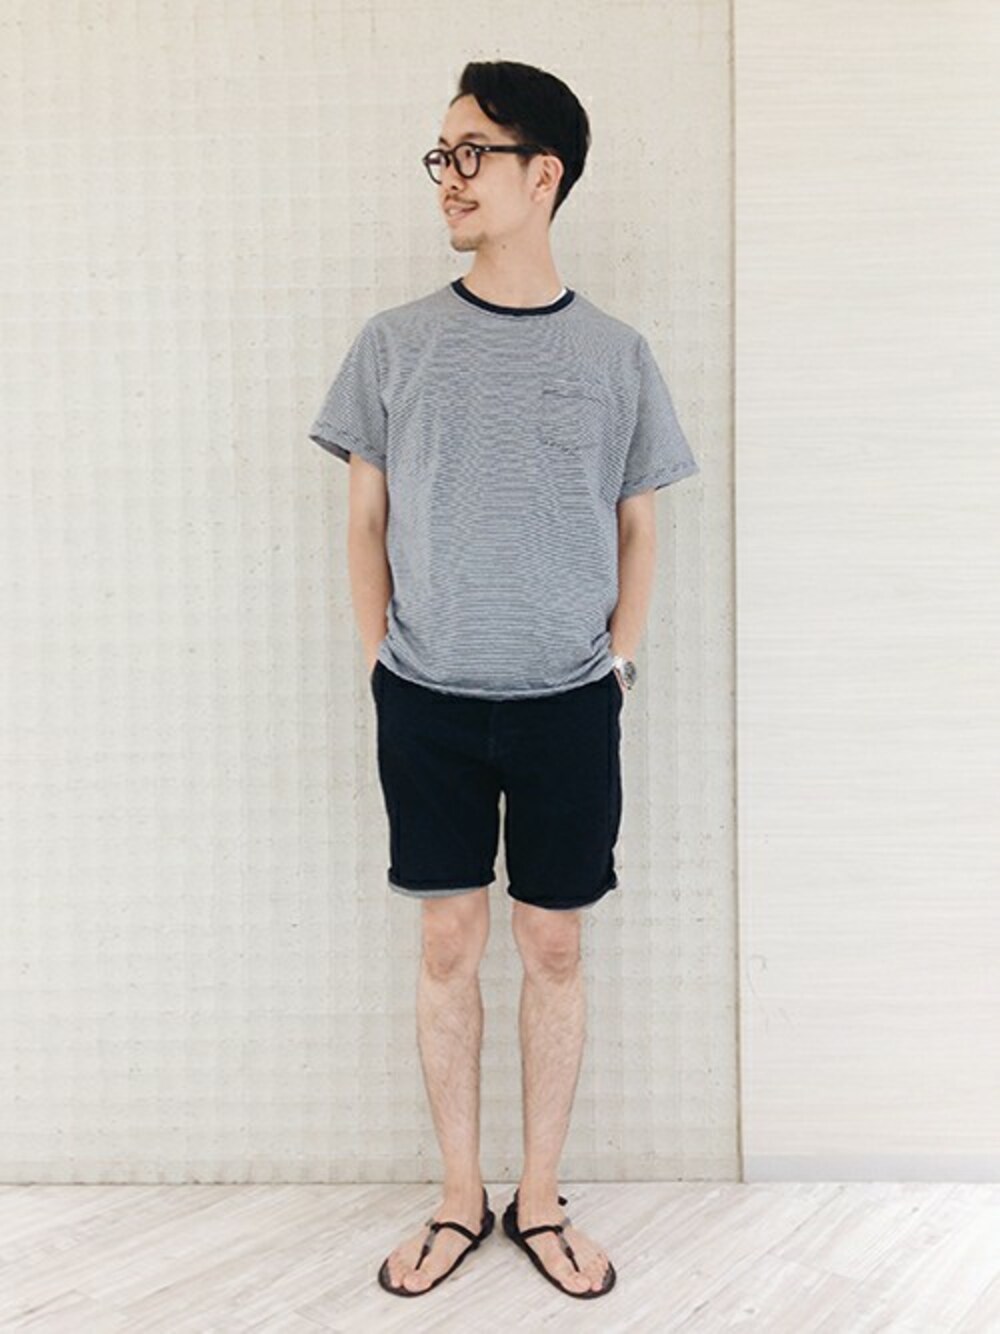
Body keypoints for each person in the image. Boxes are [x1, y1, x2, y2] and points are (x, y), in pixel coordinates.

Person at [308, 59, 699, 1300]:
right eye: (442, 154)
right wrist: (381, 663)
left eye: (472, 151)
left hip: (570, 701)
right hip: (425, 697)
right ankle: (455, 1195)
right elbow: (363, 520)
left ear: (545, 174)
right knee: (446, 940)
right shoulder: (393, 344)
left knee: (553, 943)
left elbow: (639, 526)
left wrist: (617, 662)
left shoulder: (617, 354)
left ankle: (538, 1197)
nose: (448, 177)